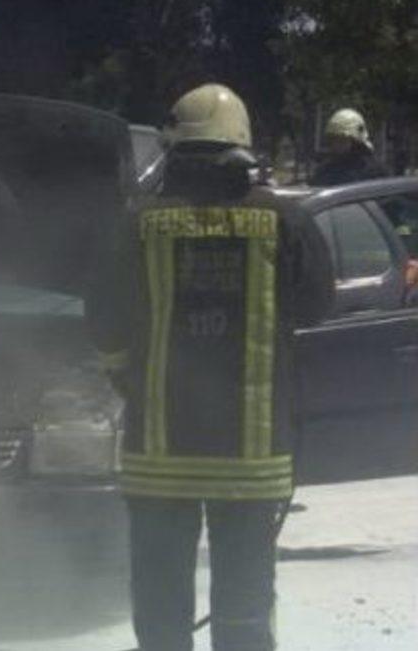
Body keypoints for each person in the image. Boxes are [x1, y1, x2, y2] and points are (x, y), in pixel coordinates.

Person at [87, 83, 335, 651]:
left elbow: (103, 319)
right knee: (245, 605)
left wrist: (125, 375)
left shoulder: (136, 223)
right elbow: (317, 305)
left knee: (160, 601)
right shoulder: (284, 220)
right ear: (242, 147)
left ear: (173, 150)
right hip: (251, 459)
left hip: (158, 455)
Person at [310, 108, 389, 186]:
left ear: (356, 141)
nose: (336, 145)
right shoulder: (325, 171)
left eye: (342, 140)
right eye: (333, 139)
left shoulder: (374, 172)